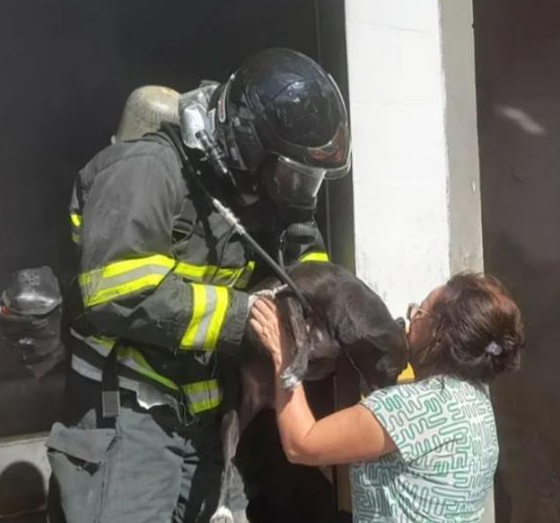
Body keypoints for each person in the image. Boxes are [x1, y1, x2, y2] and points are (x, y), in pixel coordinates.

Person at [47, 48, 351, 523]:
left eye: (308, 180)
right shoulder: (145, 171)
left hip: (206, 419)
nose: (298, 192)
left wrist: (318, 307)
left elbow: (305, 272)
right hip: (131, 412)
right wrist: (246, 316)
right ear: (248, 144)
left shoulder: (254, 195)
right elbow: (117, 293)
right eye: (293, 174)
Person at [249, 273, 525, 522]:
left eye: (419, 313)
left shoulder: (416, 407)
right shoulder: (477, 406)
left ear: (438, 338)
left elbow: (302, 444)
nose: (409, 320)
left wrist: (285, 355)